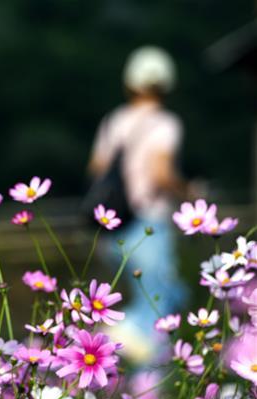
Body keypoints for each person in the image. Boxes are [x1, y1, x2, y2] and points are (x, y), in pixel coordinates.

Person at [88, 46, 189, 365]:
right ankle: (129, 351)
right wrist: (187, 191)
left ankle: (118, 340)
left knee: (165, 296)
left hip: (112, 225)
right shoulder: (165, 123)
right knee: (159, 309)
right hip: (149, 223)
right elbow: (161, 173)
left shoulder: (113, 120)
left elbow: (96, 168)